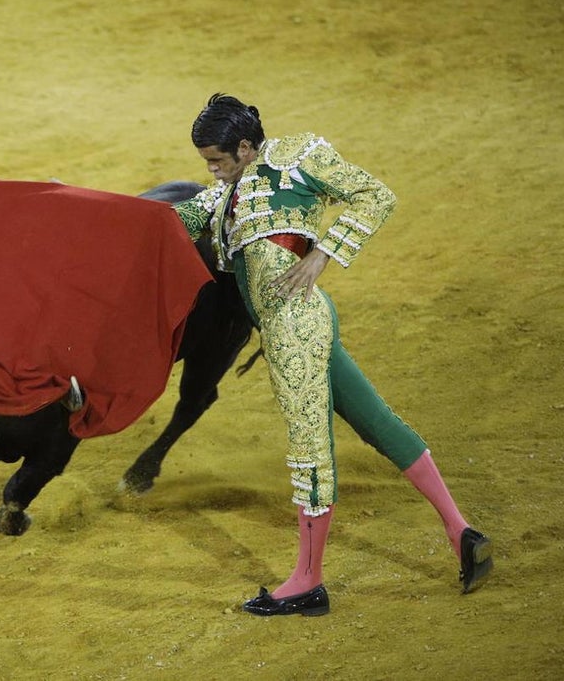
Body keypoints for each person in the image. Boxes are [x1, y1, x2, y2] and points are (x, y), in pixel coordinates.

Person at [172, 94, 492, 616]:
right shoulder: (225, 196)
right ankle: (462, 533)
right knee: (377, 422)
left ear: (247, 147)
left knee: (309, 448)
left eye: (216, 159)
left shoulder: (299, 156)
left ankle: (307, 582)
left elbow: (375, 195)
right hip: (303, 322)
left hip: (296, 327)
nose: (209, 169)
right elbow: (177, 220)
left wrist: (323, 254)